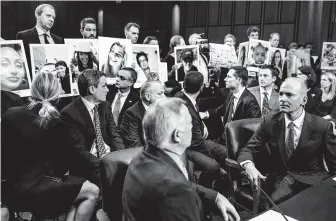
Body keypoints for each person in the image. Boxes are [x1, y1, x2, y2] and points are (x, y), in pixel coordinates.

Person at [122, 97, 240, 221]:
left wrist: (215, 196)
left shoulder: (142, 156)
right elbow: (176, 187)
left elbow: (179, 185)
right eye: (190, 123)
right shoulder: (175, 189)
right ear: (177, 135)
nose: (192, 127)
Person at [2, 71, 99, 220]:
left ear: (33, 90)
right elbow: (61, 168)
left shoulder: (11, 113)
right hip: (35, 189)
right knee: (92, 191)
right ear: (57, 92)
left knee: (71, 195)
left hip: (9, 189)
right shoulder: (57, 122)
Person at [238, 77, 336, 206]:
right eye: (281, 94)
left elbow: (333, 161)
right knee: (275, 211)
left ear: (304, 100)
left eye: (289, 95)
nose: (283, 99)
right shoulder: (270, 121)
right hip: (281, 179)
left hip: (312, 178)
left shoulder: (322, 126)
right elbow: (248, 149)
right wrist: (249, 166)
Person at [61, 69, 125, 185]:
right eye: (104, 86)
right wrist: (105, 164)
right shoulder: (69, 113)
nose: (107, 90)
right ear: (92, 89)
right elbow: (79, 152)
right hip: (89, 165)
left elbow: (114, 134)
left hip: (109, 158)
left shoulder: (105, 105)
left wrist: (122, 157)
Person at [203, 66, 261, 131]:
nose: (225, 79)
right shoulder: (231, 94)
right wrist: (206, 114)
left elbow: (255, 127)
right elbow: (223, 109)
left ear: (239, 81)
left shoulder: (250, 101)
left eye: (229, 77)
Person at [119, 80, 166, 148]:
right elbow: (134, 144)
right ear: (148, 97)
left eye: (164, 93)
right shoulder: (132, 113)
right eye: (160, 94)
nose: (164, 97)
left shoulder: (164, 109)